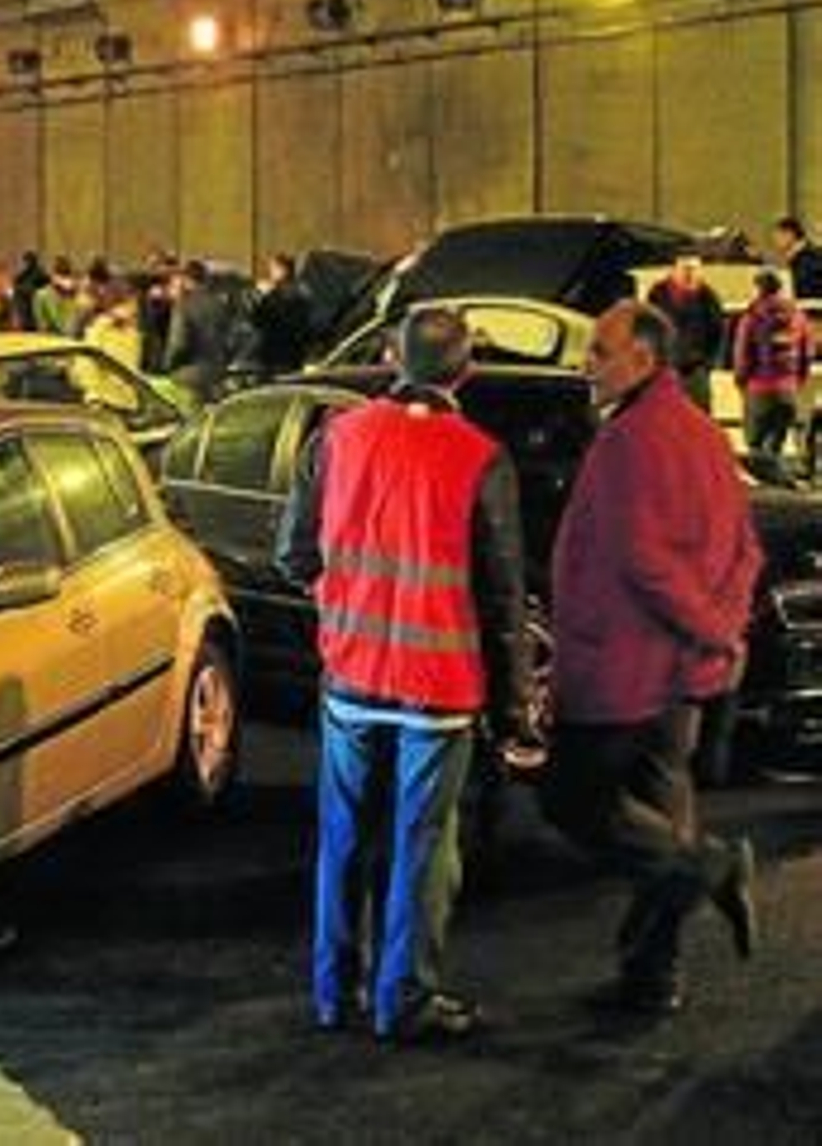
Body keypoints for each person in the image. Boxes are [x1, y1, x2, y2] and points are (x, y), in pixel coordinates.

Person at [278, 304, 533, 1044]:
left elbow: (295, 554)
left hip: (352, 676)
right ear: (468, 369)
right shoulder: (481, 456)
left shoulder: (337, 437)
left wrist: (342, 600)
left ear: (393, 356)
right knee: (423, 840)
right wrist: (518, 708)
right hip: (438, 686)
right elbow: (502, 594)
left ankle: (335, 992)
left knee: (343, 835)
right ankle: (406, 997)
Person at [541, 299, 761, 1017]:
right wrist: (722, 629)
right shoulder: (702, 433)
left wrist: (707, 626)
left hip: (625, 670)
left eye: (601, 351)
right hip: (683, 678)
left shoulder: (631, 441)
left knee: (576, 799)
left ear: (645, 358)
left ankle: (712, 866)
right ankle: (652, 976)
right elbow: (744, 547)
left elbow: (645, 560)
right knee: (664, 818)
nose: (587, 364)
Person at [733, 269, 810, 459]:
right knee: (777, 443)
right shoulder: (798, 316)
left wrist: (741, 381)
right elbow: (807, 353)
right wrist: (798, 381)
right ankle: (774, 478)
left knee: (754, 443)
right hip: (788, 389)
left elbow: (742, 354)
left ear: (759, 288)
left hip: (758, 388)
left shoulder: (751, 317)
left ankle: (763, 482)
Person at [645, 254, 724, 413]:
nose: (690, 274)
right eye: (685, 269)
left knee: (699, 414)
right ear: (674, 270)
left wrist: (709, 363)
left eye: (694, 269)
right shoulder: (658, 293)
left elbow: (718, 332)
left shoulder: (707, 296)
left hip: (695, 369)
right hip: (666, 366)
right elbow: (648, 328)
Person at [163, 259, 241, 402]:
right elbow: (234, 338)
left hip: (189, 373)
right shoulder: (220, 305)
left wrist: (167, 365)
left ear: (186, 280)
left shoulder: (184, 306)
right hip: (217, 372)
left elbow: (178, 343)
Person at [250, 251, 315, 375]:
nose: (270, 272)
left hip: (276, 355)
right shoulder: (303, 292)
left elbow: (258, 320)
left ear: (283, 269)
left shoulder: (277, 294)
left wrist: (261, 296)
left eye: (273, 268)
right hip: (295, 355)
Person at [82, 276, 142, 371]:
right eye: (128, 304)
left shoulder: (132, 332)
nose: (134, 309)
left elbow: (132, 366)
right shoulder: (99, 328)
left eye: (135, 304)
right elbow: (89, 365)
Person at [33, 256, 88, 338]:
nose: (64, 279)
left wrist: (75, 293)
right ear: (53, 275)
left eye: (66, 274)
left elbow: (81, 322)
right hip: (53, 342)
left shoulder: (74, 295)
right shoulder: (41, 295)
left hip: (73, 342)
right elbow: (42, 325)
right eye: (60, 274)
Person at [774, 215, 822, 302]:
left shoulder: (809, 257)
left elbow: (804, 291)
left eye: (778, 237)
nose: (776, 242)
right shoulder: (798, 256)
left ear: (790, 235)